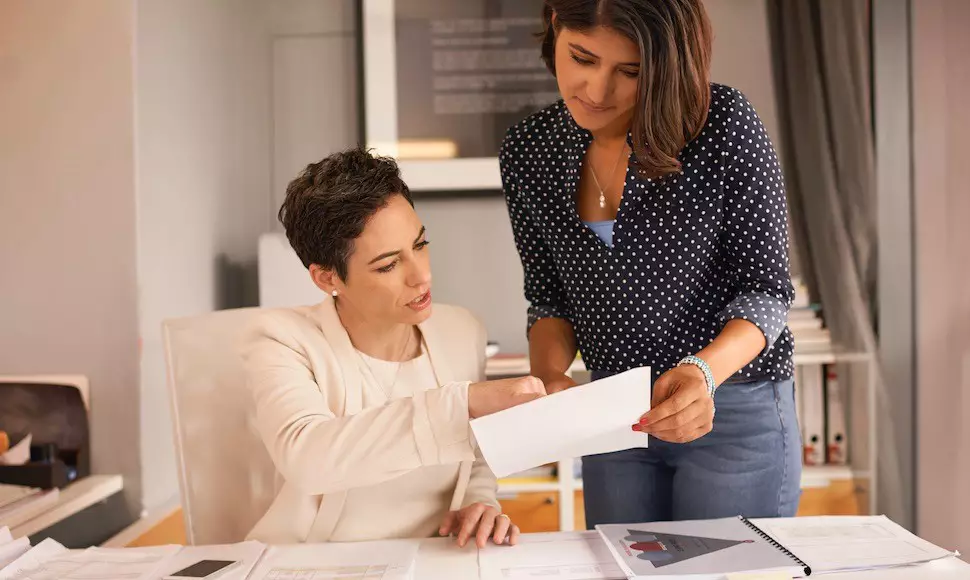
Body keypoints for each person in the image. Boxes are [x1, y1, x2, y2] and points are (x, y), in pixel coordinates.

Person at [500, 0, 800, 526]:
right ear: (555, 28)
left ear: (666, 64)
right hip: (613, 412)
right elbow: (548, 297)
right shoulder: (531, 150)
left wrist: (703, 372)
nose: (596, 90)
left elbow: (767, 292)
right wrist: (549, 378)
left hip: (731, 408)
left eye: (630, 71)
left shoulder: (722, 125)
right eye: (582, 58)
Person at [243, 148, 544, 545]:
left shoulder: (460, 329)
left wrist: (478, 502)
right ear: (326, 277)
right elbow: (308, 459)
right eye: (388, 265)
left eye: (420, 245)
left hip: (431, 562)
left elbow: (474, 457)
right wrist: (462, 403)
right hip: (312, 563)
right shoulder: (281, 339)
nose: (422, 276)